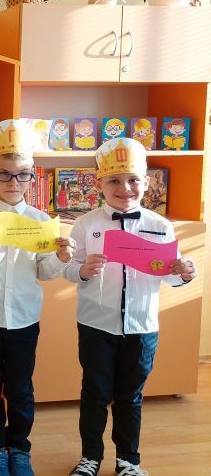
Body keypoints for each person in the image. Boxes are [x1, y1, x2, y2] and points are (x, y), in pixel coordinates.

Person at [65, 137, 196, 476]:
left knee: (130, 396)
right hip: (96, 324)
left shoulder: (160, 226)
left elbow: (171, 275)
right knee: (94, 393)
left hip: (141, 326)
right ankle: (90, 458)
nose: (124, 188)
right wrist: (82, 270)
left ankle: (128, 460)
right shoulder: (86, 224)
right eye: (114, 180)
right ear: (99, 184)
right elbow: (68, 268)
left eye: (133, 179)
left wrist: (184, 272)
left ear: (147, 182)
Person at [0, 119, 74, 476]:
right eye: (4, 174)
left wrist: (61, 257)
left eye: (22, 175)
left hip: (24, 318)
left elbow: (44, 271)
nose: (13, 182)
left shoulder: (40, 219)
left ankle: (19, 449)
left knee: (21, 388)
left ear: (31, 176)